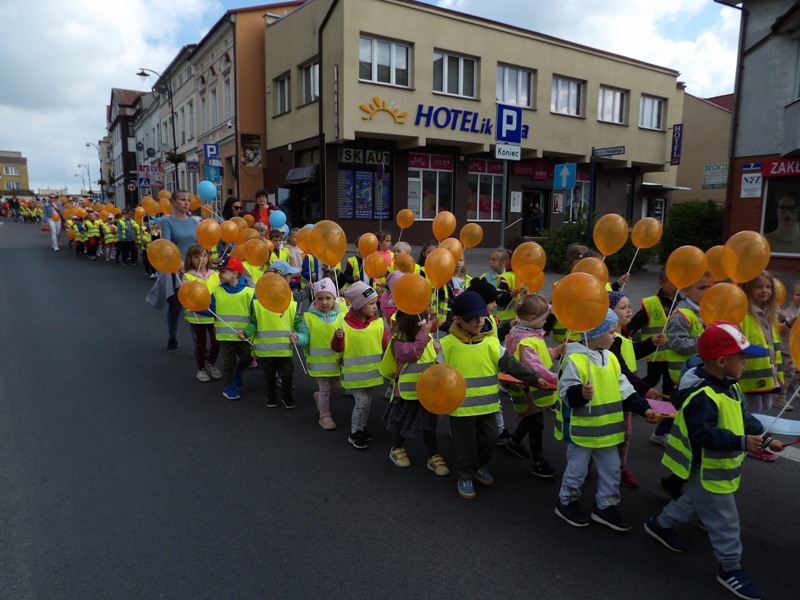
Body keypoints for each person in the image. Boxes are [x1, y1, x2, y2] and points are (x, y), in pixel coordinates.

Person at [644, 321, 783, 600]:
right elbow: (702, 435)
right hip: (708, 466)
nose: (745, 362)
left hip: (715, 467)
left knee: (693, 500)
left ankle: (660, 524)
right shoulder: (703, 396)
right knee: (726, 522)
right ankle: (730, 568)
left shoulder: (730, 386)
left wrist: (765, 439)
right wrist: (742, 442)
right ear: (722, 361)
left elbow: (743, 417)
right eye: (741, 357)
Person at [554, 309, 657, 530]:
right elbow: (565, 392)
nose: (615, 336)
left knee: (612, 470)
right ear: (594, 333)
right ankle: (566, 502)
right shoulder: (574, 360)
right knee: (577, 471)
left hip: (608, 432)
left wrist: (644, 409)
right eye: (611, 332)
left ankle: (605, 506)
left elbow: (624, 388)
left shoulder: (610, 358)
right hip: (583, 432)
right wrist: (580, 393)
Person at [438, 291, 545, 500]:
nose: (479, 321)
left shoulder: (491, 343)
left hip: (487, 405)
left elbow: (512, 365)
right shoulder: (447, 345)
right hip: (461, 408)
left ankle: (478, 466)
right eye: (472, 318)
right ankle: (465, 475)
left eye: (481, 316)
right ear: (458, 319)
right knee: (465, 444)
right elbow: (437, 376)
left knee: (491, 437)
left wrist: (534, 378)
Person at [380, 309, 449, 476]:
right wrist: (425, 335)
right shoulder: (398, 340)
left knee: (429, 425)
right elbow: (412, 355)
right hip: (407, 392)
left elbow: (432, 355)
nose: (427, 324)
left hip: (427, 392)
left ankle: (433, 455)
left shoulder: (425, 336)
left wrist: (433, 337)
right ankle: (396, 448)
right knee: (404, 423)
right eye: (424, 321)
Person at [608, 290, 665, 489]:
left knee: (625, 434)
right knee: (605, 434)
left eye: (629, 306)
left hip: (627, 391)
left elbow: (631, 352)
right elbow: (622, 369)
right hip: (614, 392)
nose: (629, 311)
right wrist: (645, 389)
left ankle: (620, 467)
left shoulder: (623, 334)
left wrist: (650, 343)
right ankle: (589, 464)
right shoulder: (609, 339)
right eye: (622, 307)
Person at [651, 272, 714, 447]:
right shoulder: (681, 315)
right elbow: (676, 344)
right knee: (681, 404)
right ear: (686, 290)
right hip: (684, 371)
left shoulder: (706, 311)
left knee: (684, 404)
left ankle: (667, 432)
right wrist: (703, 341)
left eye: (711, 288)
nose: (708, 292)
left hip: (699, 369)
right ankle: (661, 433)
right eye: (702, 288)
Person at [504, 293, 562, 477]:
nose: (545, 322)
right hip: (530, 390)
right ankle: (538, 462)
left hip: (530, 389)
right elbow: (535, 366)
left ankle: (513, 443)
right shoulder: (526, 341)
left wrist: (554, 352)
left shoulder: (525, 335)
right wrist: (558, 380)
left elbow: (538, 355)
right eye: (544, 319)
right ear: (532, 318)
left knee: (530, 421)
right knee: (536, 425)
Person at [331, 281, 390, 449]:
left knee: (367, 401)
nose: (375, 307)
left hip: (370, 374)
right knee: (362, 402)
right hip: (354, 375)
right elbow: (337, 348)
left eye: (375, 303)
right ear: (358, 306)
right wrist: (338, 338)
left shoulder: (378, 324)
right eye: (371, 304)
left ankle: (362, 428)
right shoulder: (344, 325)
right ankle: (355, 432)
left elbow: (387, 344)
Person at [738, 272, 783, 462]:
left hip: (769, 372)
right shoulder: (744, 314)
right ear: (748, 289)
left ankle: (758, 437)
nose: (765, 291)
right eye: (759, 286)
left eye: (768, 286)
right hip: (751, 374)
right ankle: (753, 443)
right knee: (753, 409)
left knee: (765, 406)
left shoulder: (769, 313)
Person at [151, 190, 199, 353]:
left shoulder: (194, 222)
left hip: (193, 269)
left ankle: (198, 344)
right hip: (175, 269)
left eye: (188, 200)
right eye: (182, 199)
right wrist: (178, 263)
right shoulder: (167, 222)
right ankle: (172, 337)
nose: (186, 203)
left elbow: (198, 246)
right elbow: (167, 246)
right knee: (176, 306)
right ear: (173, 202)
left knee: (195, 306)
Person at [252, 261, 303, 410]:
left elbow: (297, 321)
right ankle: (271, 395)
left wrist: (303, 334)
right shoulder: (259, 303)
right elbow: (253, 322)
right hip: (266, 351)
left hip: (283, 351)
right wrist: (246, 333)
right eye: (289, 276)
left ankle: (287, 395)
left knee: (287, 374)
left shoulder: (289, 302)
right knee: (269, 376)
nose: (291, 279)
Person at [205, 256, 256, 400]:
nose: (219, 274)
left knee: (247, 358)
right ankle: (229, 387)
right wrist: (197, 307)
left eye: (223, 271)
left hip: (243, 335)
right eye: (219, 271)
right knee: (229, 362)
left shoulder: (249, 292)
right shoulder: (217, 292)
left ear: (235, 273)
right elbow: (211, 310)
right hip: (225, 336)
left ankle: (237, 373)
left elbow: (255, 315)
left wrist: (249, 331)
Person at [297, 277, 344, 430]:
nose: (324, 302)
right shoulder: (309, 317)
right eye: (320, 298)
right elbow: (305, 337)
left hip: (337, 363)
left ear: (334, 298)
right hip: (319, 364)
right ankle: (324, 415)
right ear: (315, 299)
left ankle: (319, 397)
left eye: (328, 298)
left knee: (336, 386)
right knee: (325, 389)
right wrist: (298, 338)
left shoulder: (342, 316)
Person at [627, 267, 678, 399]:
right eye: (672, 283)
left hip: (672, 354)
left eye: (678, 282)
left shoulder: (681, 303)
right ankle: (633, 397)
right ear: (661, 283)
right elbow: (635, 323)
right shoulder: (651, 303)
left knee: (670, 383)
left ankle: (667, 407)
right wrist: (625, 335)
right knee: (652, 379)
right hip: (655, 353)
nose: (676, 286)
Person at [181, 244, 222, 383]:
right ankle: (200, 369)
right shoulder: (188, 276)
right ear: (190, 259)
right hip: (197, 316)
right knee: (200, 344)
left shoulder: (215, 275)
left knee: (216, 342)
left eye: (203, 256)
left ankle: (211, 364)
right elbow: (185, 296)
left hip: (213, 315)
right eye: (196, 257)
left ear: (208, 257)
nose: (201, 259)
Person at [777, 281, 800, 411]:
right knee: (787, 375)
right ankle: (779, 398)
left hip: (797, 350)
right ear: (792, 296)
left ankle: (793, 387)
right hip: (787, 350)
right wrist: (790, 322)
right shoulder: (786, 313)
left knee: (796, 374)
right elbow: (783, 330)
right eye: (798, 295)